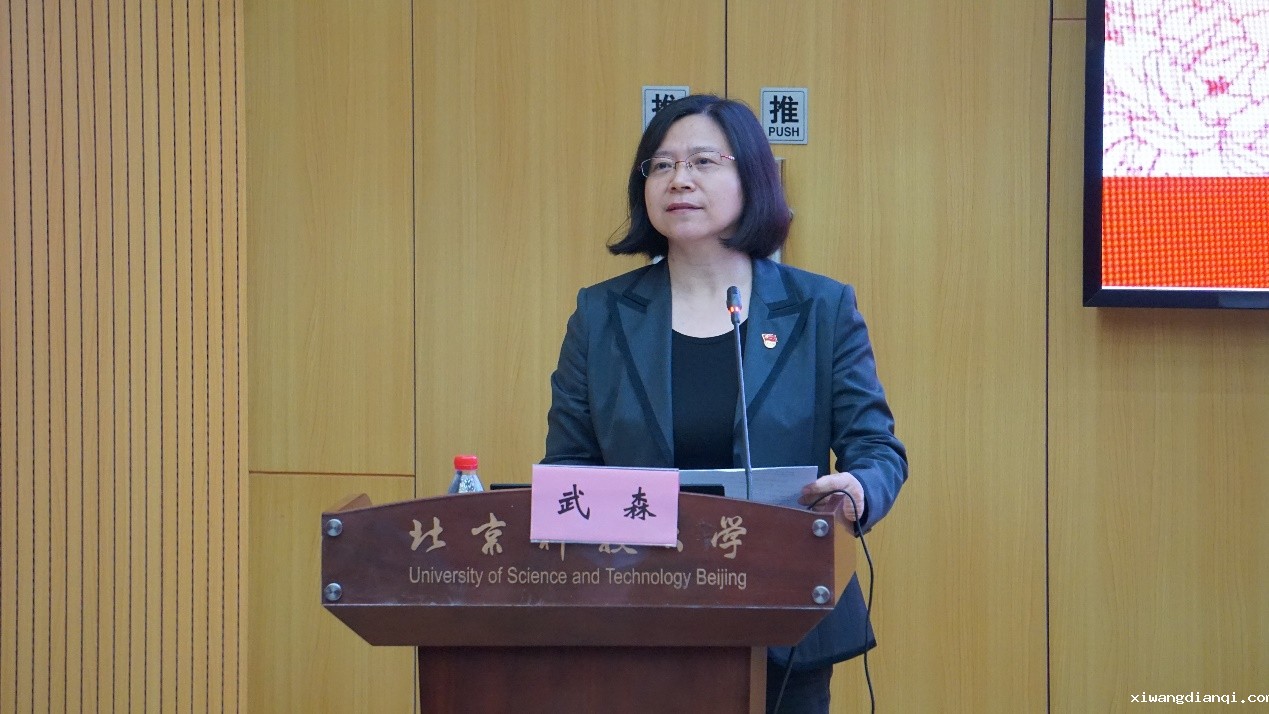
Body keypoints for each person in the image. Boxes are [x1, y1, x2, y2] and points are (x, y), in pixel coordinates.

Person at [542, 94, 907, 714]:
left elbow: (876, 448)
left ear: (752, 179)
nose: (679, 179)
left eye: (703, 161)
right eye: (661, 165)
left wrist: (860, 491)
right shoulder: (601, 315)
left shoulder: (820, 309)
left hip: (784, 619)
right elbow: (567, 468)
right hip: (636, 622)